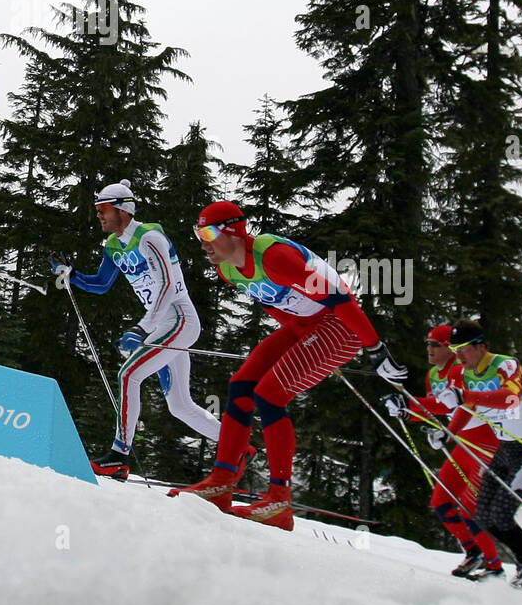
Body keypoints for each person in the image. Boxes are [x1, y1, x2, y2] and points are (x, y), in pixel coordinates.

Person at [170, 201, 406, 530]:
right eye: (198, 233)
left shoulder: (274, 257)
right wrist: (299, 337)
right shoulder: (228, 268)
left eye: (208, 232)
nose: (203, 242)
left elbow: (341, 299)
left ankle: (280, 500)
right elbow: (274, 304)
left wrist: (375, 349)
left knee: (269, 395)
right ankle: (222, 482)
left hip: (340, 323)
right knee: (241, 385)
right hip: (304, 325)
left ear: (235, 232)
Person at [52, 180, 220, 480]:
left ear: (122, 209)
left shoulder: (149, 236)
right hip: (163, 324)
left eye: (103, 209)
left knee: (129, 374)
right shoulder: (113, 245)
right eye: (97, 210)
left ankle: (119, 455)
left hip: (179, 319)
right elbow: (102, 284)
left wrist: (143, 327)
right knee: (180, 405)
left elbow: (168, 285)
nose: (99, 215)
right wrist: (72, 275)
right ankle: (237, 445)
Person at [433, 320, 522, 591]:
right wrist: (449, 433)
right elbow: (468, 406)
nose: (458, 355)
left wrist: (465, 396)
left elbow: (510, 399)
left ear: (481, 346)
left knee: (500, 515)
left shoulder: (505, 366)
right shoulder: (468, 374)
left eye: (463, 348)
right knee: (482, 513)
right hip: (505, 450)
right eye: (454, 349)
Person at [384, 323, 503, 579]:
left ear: (451, 349)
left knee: (470, 509)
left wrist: (411, 405)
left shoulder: (461, 371)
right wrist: (407, 411)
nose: (429, 348)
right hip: (463, 443)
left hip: (485, 444)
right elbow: (436, 410)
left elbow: (460, 406)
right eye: (428, 343)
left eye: (435, 344)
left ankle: (495, 566)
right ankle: (474, 552)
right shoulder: (433, 375)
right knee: (440, 501)